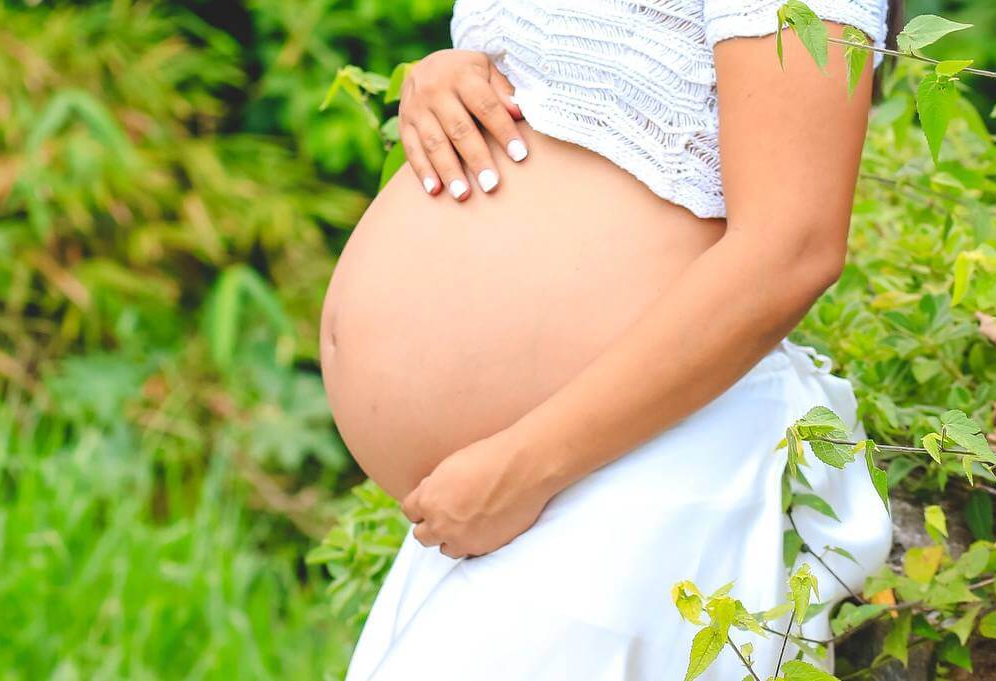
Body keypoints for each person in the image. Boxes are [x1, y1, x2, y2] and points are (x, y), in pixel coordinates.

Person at [318, 1, 899, 678]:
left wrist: (523, 466)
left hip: (629, 464)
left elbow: (793, 245)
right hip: (519, 489)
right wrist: (443, 78)